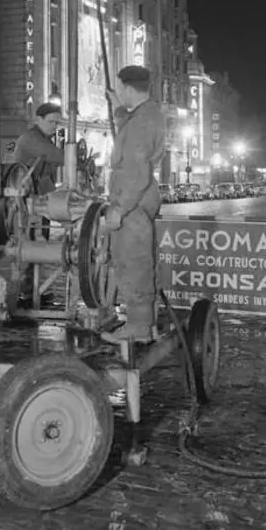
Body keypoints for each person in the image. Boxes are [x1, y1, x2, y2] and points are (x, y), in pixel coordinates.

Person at [101, 65, 166, 345]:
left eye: (120, 89)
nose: (119, 93)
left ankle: (138, 327)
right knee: (141, 260)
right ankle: (147, 323)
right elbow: (130, 130)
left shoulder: (141, 122)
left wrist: (120, 208)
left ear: (128, 88)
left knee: (132, 262)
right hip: (141, 200)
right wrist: (118, 109)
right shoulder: (146, 115)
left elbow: (136, 172)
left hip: (134, 203)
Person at [13, 102, 64, 303]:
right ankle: (23, 292)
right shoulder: (31, 139)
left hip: (40, 201)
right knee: (28, 245)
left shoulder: (45, 139)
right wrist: (72, 152)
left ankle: (34, 290)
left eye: (57, 122)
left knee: (39, 243)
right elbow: (57, 156)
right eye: (51, 121)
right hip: (26, 203)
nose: (54, 126)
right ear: (38, 120)